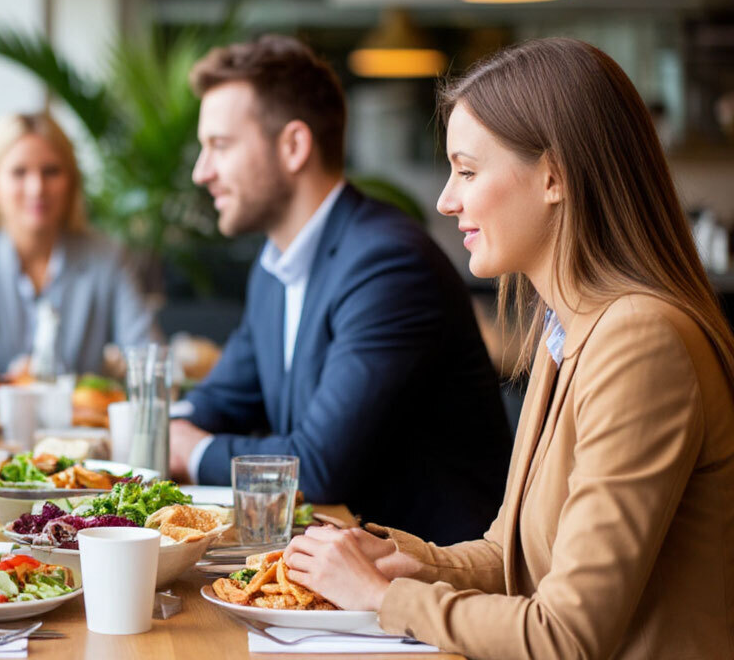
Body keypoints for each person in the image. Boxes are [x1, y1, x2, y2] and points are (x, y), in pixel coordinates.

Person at [281, 38, 734, 660]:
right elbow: (510, 555)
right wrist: (393, 558)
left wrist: (383, 597)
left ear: (555, 176)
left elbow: (568, 639)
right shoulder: (566, 330)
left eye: (467, 171)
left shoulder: (640, 341)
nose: (446, 200)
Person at [170, 35, 511, 546]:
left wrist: (189, 450)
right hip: (338, 561)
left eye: (220, 145)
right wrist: (166, 426)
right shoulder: (275, 266)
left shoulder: (387, 264)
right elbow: (222, 398)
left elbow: (318, 467)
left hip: (429, 577)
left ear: (294, 146)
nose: (203, 171)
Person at [0, 112, 158, 376]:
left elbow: (152, 361)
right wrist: (12, 386)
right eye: (19, 173)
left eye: (51, 171)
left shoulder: (108, 256)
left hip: (81, 405)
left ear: (71, 182)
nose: (37, 188)